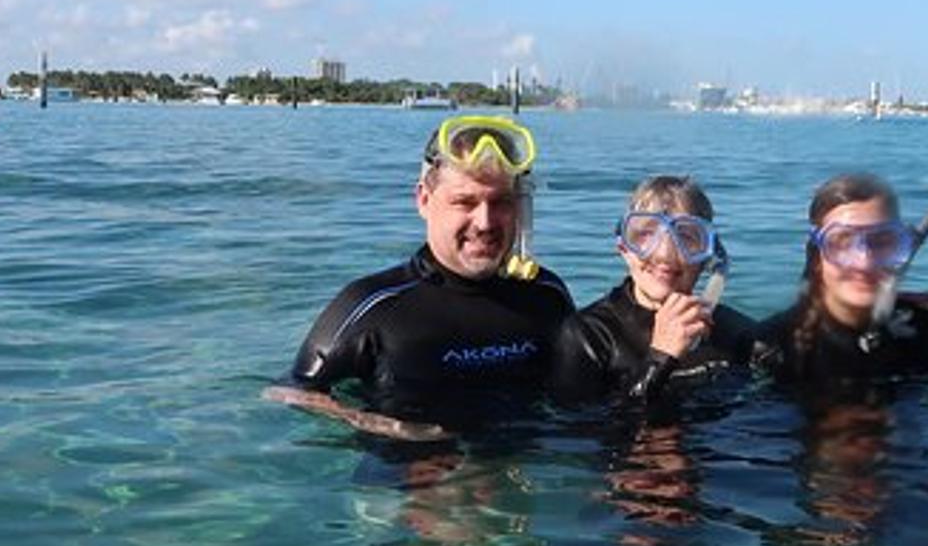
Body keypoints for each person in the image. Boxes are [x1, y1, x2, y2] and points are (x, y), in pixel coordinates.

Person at [272, 115, 575, 431]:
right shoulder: (372, 306)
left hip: (527, 455)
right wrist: (386, 427)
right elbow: (288, 392)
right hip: (416, 457)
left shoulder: (547, 295)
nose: (485, 222)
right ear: (424, 200)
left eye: (500, 202)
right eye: (464, 202)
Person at [552, 175, 758, 404]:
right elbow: (581, 424)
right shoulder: (588, 335)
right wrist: (660, 357)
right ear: (623, 248)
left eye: (686, 236)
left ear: (707, 258)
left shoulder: (735, 333)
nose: (664, 254)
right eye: (646, 235)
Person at [753, 173, 928, 389]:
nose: (864, 262)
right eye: (842, 243)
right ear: (816, 257)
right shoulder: (770, 348)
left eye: (882, 241)